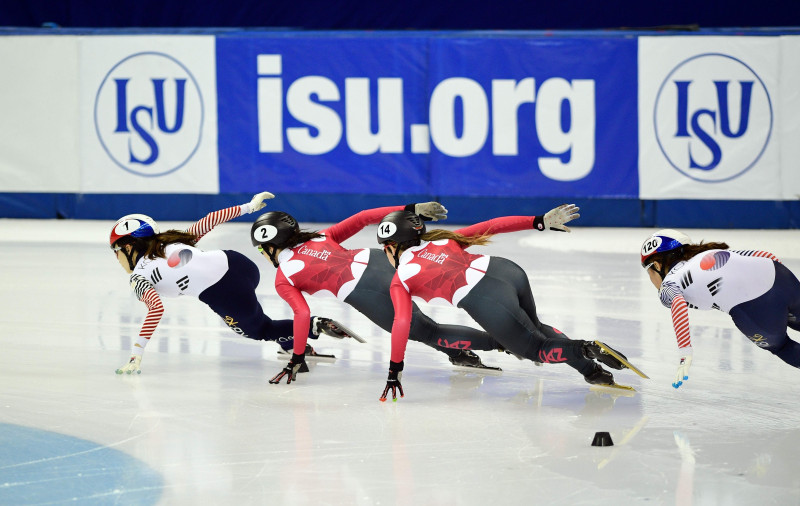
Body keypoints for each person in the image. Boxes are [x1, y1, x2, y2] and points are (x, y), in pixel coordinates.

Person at [376, 205, 634, 401]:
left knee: (535, 349)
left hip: (486, 297)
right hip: (507, 270)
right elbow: (492, 225)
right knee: (538, 328)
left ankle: (587, 349)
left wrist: (394, 370)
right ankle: (593, 372)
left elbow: (401, 323)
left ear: (391, 247)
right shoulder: (442, 240)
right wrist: (539, 221)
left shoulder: (400, 278)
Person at [250, 202, 506, 385]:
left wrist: (296, 357)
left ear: (272, 244)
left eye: (262, 250)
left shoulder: (283, 277)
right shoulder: (320, 236)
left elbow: (302, 314)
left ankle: (505, 342)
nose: (263, 255)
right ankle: (459, 350)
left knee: (425, 330)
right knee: (419, 324)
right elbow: (363, 217)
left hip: (366, 291)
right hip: (380, 260)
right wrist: (410, 210)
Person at [110, 191, 355, 375]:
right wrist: (249, 206)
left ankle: (314, 325)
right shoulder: (169, 242)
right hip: (240, 265)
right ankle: (289, 341)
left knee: (259, 330)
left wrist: (136, 354)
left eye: (116, 252)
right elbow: (210, 220)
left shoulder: (138, 277)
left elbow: (155, 310)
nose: (117, 260)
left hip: (224, 292)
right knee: (258, 319)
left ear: (129, 247)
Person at [640, 229, 800, 388]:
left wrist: (685, 353)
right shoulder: (709, 254)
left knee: (782, 347)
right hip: (781, 277)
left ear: (656, 265)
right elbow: (766, 256)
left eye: (649, 273)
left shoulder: (669, 284)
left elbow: (678, 304)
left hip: (753, 307)